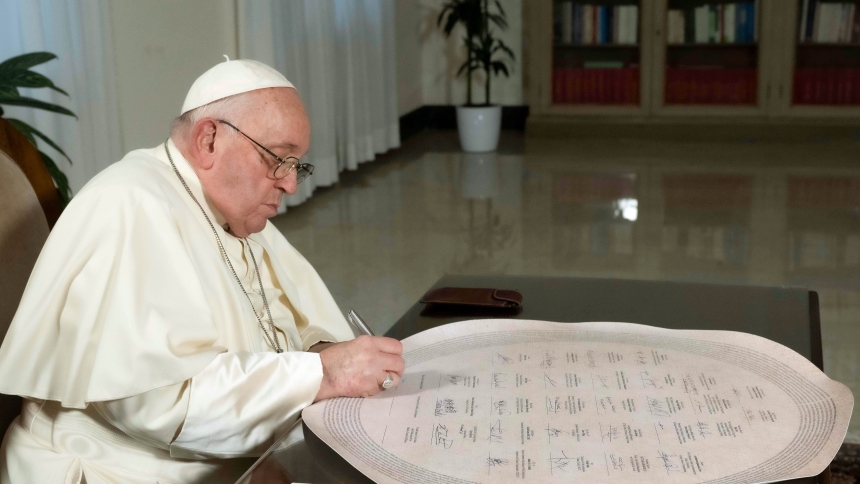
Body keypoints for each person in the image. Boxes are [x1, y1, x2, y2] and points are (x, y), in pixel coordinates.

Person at [0, 59, 405, 483]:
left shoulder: (231, 207)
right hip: (118, 470)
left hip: (227, 455)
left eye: (297, 165)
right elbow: (160, 404)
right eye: (279, 159)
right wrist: (322, 374)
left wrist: (323, 351)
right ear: (209, 139)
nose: (289, 183)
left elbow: (284, 318)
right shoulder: (132, 204)